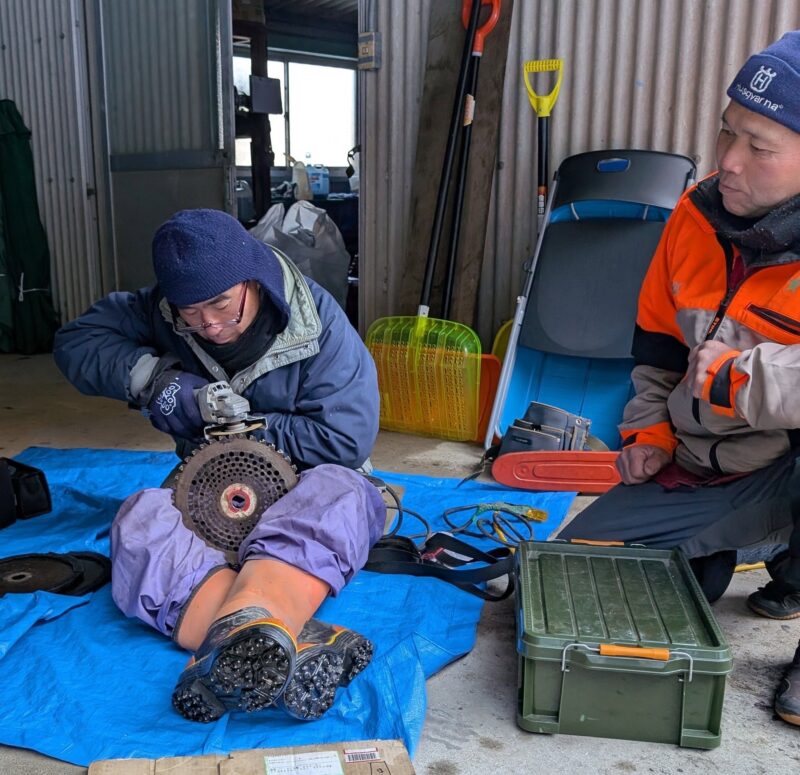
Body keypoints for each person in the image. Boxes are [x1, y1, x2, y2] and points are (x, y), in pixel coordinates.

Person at [53, 208, 386, 723]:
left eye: (221, 303)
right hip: (207, 498)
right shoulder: (159, 309)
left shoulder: (318, 324)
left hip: (305, 488)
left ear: (252, 279)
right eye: (189, 310)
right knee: (139, 518)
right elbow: (76, 342)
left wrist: (249, 427)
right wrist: (157, 383)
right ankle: (291, 643)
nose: (208, 323)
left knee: (339, 493)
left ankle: (234, 646)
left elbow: (344, 438)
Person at [557, 31, 800, 727]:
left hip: (785, 463)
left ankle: (791, 573)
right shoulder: (691, 217)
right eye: (728, 134)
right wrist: (650, 431)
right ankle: (724, 546)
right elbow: (658, 351)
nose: (728, 161)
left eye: (759, 147)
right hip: (704, 465)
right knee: (577, 564)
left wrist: (743, 378)